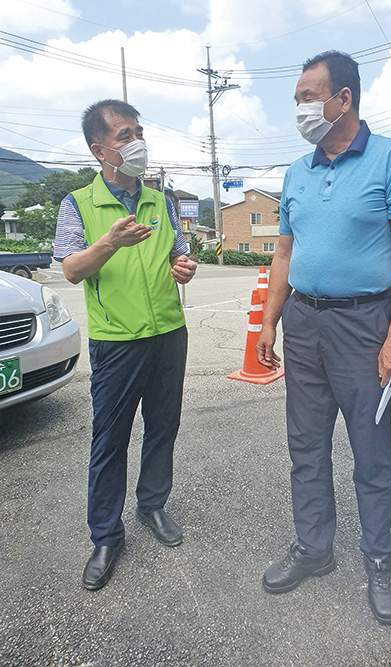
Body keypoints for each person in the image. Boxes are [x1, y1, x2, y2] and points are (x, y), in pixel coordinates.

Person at [256, 51, 391, 625]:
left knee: (370, 450)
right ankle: (314, 548)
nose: (301, 108)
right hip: (304, 323)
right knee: (305, 444)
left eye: (309, 96)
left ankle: (378, 557)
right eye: (299, 98)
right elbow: (283, 253)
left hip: (363, 326)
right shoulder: (297, 172)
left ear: (343, 99)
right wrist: (267, 323)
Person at [54, 99, 196, 590]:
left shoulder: (161, 201)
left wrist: (185, 267)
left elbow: (180, 254)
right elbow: (71, 269)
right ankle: (106, 535)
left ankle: (152, 506)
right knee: (110, 440)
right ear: (99, 150)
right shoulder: (79, 204)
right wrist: (110, 242)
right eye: (123, 136)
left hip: (168, 333)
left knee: (163, 427)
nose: (136, 142)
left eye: (138, 131)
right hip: (117, 341)